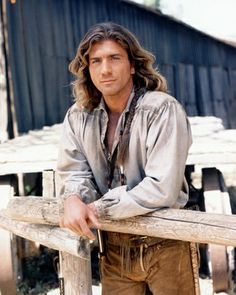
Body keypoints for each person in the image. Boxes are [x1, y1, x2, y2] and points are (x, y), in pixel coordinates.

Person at [57, 22, 198, 295]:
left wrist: (95, 209)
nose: (105, 69)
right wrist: (73, 199)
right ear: (88, 68)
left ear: (132, 65)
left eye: (114, 58)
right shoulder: (78, 116)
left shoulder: (161, 110)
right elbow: (74, 171)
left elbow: (161, 187)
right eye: (95, 61)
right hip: (115, 248)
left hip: (166, 242)